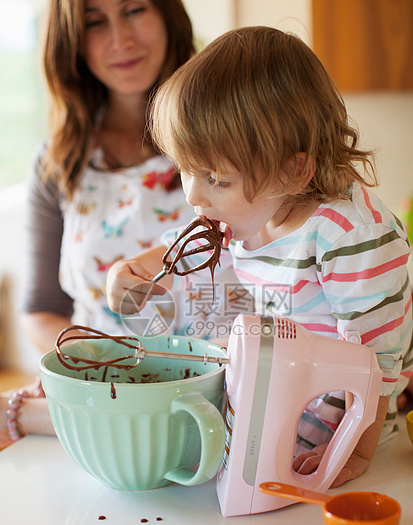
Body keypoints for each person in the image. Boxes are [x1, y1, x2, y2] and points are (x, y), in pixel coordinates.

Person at [106, 26, 413, 488]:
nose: (194, 196)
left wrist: (355, 453)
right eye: (186, 170)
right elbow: (183, 248)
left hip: (344, 418)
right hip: (282, 387)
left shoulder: (348, 237)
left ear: (292, 170)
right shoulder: (254, 207)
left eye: (215, 177)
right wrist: (135, 272)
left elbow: (380, 361)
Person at [0, 0, 200, 448]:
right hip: (101, 392)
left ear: (167, 14)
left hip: (216, 388)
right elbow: (42, 308)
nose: (121, 39)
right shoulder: (60, 161)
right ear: (72, 43)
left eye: (134, 10)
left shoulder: (228, 133)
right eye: (94, 22)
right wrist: (105, 362)